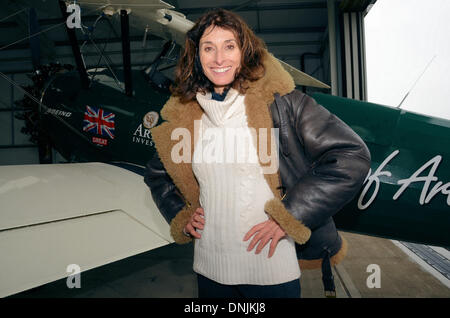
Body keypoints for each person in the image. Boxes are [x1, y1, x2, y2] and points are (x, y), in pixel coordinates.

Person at [144, 8, 371, 298]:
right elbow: (157, 174)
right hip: (209, 273)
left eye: (229, 46)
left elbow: (351, 155)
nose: (219, 58)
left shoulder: (282, 104)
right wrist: (181, 215)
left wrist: (289, 215)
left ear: (244, 52)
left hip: (271, 273)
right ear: (196, 56)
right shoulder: (186, 118)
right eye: (208, 48)